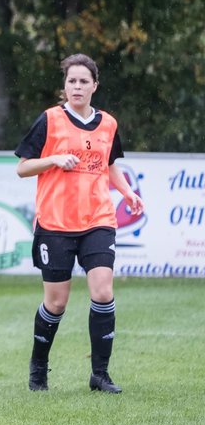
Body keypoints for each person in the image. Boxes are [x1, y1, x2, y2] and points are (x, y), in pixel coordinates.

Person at [15, 53, 143, 394]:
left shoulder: (108, 124)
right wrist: (54, 159)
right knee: (56, 303)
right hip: (55, 223)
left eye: (83, 81)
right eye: (71, 80)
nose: (77, 86)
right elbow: (23, 167)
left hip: (98, 220)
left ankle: (99, 375)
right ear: (65, 85)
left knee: (102, 291)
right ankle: (38, 368)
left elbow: (110, 164)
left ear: (94, 86)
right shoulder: (49, 120)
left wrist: (127, 192)